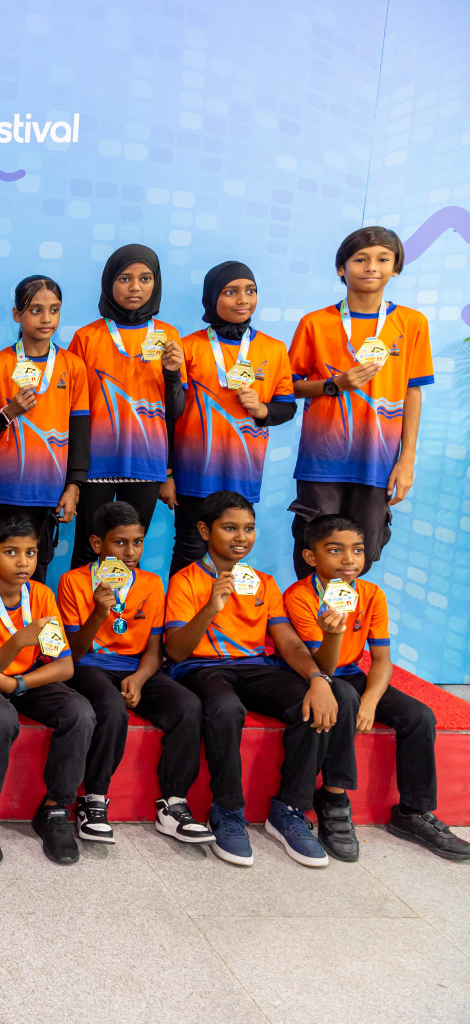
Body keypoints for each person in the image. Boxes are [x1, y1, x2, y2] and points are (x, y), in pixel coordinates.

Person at [164, 491, 360, 868]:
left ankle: (289, 809)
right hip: (200, 668)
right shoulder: (186, 580)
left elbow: (287, 642)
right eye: (230, 528)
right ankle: (227, 810)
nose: (241, 537)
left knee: (314, 701)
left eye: (249, 528)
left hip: (255, 666)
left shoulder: (264, 583)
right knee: (224, 708)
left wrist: (318, 678)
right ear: (205, 530)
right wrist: (211, 607)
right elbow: (175, 651)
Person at [284, 514, 470, 860]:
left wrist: (371, 701)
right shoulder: (299, 597)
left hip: (353, 673)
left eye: (357, 550)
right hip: (315, 674)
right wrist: (333, 632)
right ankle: (334, 798)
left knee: (419, 716)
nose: (349, 560)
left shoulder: (371, 594)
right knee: (346, 697)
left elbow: (382, 661)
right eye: (335, 550)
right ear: (311, 557)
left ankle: (413, 812)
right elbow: (322, 666)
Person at [55, 502, 213, 846]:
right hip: (88, 666)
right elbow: (71, 652)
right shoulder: (73, 581)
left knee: (188, 707)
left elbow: (155, 650)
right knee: (111, 707)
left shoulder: (152, 584)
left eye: (137, 542)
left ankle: (173, 804)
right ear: (98, 544)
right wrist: (99, 613)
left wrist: (140, 679)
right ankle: (93, 800)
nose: (130, 552)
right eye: (120, 543)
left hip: (136, 669)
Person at [288, 227, 431, 577]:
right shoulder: (315, 323)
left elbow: (412, 391)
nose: (371, 267)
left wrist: (407, 459)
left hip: (378, 461)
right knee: (315, 550)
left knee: (359, 556)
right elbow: (288, 386)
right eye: (360, 259)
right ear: (341, 268)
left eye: (383, 259)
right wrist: (335, 384)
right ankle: (304, 629)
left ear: (395, 268)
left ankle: (342, 630)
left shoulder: (411, 323)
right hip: (322, 461)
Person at [0, 515, 89, 865]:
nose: (23, 561)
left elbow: (65, 666)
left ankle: (56, 809)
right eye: (11, 552)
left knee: (80, 712)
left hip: (22, 679)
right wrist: (19, 642)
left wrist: (19, 683)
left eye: (30, 553)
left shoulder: (42, 595)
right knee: (1, 717)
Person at [164, 262, 296, 573]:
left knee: (232, 553)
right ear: (212, 298)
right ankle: (179, 621)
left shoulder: (274, 349)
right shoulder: (189, 347)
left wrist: (262, 409)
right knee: (189, 548)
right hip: (195, 475)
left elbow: (287, 407)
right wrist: (167, 473)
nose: (243, 300)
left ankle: (223, 621)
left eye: (250, 291)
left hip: (242, 473)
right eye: (231, 292)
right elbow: (171, 415)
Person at [67, 244, 186, 567]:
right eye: (125, 278)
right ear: (109, 283)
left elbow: (176, 412)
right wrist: (72, 475)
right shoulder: (86, 338)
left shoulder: (168, 335)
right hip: (96, 464)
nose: (135, 287)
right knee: (88, 550)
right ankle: (81, 618)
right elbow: (74, 411)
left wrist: (173, 375)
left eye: (145, 278)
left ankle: (122, 617)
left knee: (129, 555)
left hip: (147, 465)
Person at [0, 275, 89, 582]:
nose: (46, 318)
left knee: (35, 573)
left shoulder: (72, 366)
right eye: (36, 310)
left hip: (47, 492)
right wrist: (9, 412)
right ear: (17, 314)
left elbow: (80, 430)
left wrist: (74, 486)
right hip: (3, 490)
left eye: (54, 310)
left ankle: (31, 627)